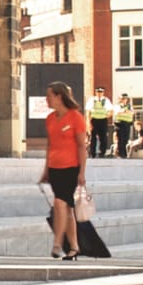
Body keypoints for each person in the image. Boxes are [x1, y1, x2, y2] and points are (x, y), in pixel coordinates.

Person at [38, 82, 88, 260]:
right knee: (66, 209)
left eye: (49, 95)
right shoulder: (50, 119)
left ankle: (58, 242)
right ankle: (74, 247)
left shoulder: (75, 117)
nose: (47, 99)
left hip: (71, 167)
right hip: (55, 168)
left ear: (59, 96)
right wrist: (45, 169)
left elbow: (82, 146)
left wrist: (82, 172)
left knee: (60, 203)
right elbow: (50, 145)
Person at [88, 87, 114, 158]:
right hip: (94, 120)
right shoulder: (92, 100)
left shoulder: (106, 100)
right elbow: (88, 111)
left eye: (101, 92)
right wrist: (88, 122)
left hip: (103, 120)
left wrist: (106, 116)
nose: (99, 94)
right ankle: (92, 153)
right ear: (96, 93)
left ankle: (102, 153)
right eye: (98, 92)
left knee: (103, 137)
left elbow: (111, 110)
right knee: (93, 137)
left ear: (103, 93)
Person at [113, 94, 136, 159]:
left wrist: (125, 111)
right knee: (121, 139)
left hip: (127, 124)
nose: (124, 100)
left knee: (126, 138)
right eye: (122, 99)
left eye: (125, 99)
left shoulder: (129, 106)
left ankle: (125, 154)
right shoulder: (117, 106)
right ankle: (121, 154)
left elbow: (132, 112)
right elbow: (118, 113)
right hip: (119, 124)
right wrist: (125, 111)